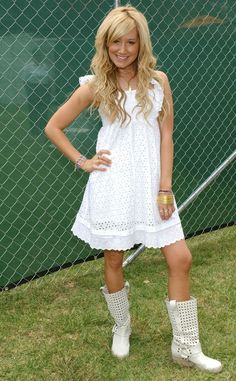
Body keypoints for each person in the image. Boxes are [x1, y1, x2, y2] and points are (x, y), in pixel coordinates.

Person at [45, 6, 222, 373]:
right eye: (115, 42)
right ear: (105, 44)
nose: (122, 49)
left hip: (153, 187)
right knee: (113, 259)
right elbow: (54, 126)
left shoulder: (159, 81)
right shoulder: (95, 86)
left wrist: (165, 187)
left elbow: (167, 135)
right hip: (112, 186)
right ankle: (121, 325)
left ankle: (186, 347)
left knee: (181, 258)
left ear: (141, 43)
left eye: (130, 41)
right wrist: (84, 161)